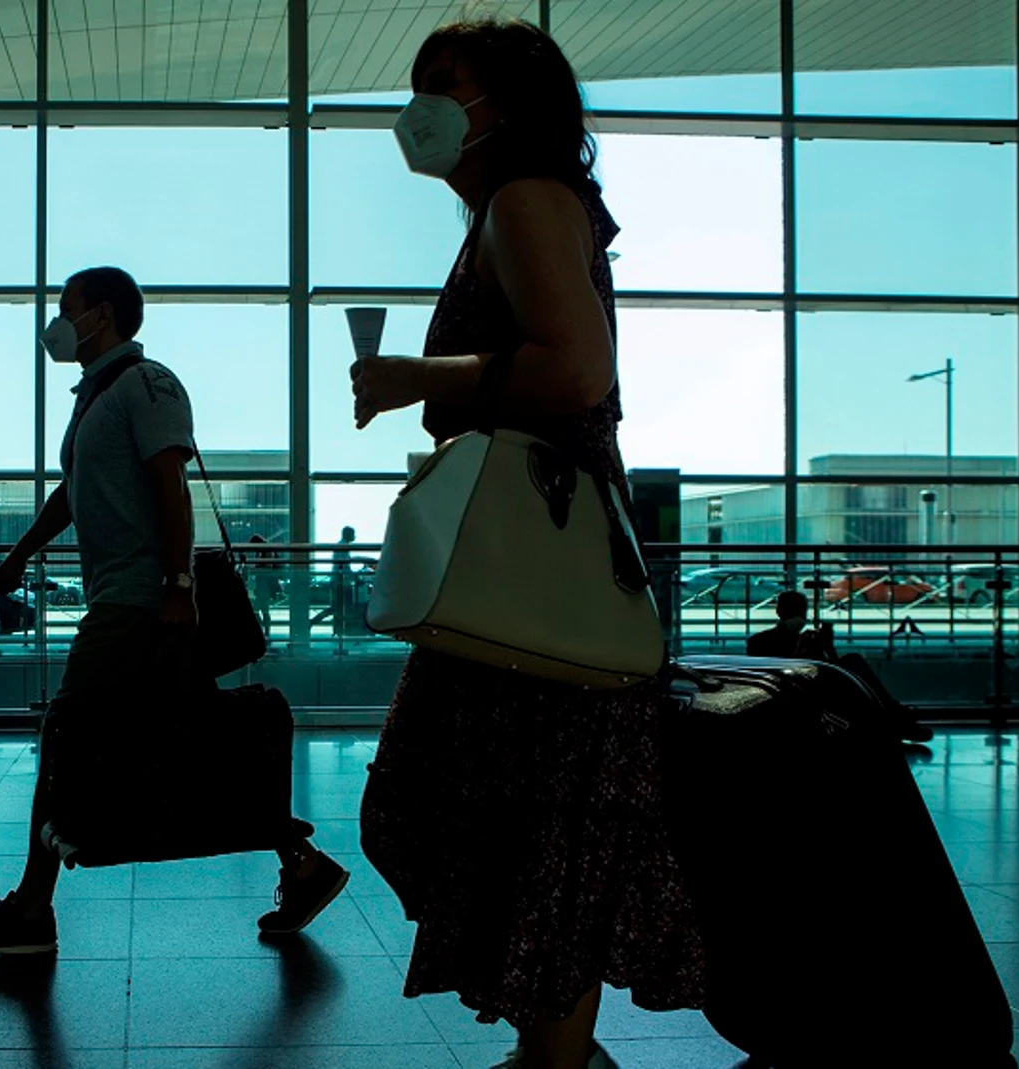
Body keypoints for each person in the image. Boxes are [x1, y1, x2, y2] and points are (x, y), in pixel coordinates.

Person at [346, 19, 705, 1069]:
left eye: (444, 84)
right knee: (530, 820)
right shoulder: (513, 210)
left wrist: (420, 379)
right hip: (539, 558)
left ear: (510, 101)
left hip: (537, 558)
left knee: (524, 818)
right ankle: (556, 1053)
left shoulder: (526, 200)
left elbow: (577, 372)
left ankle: (556, 1058)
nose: (422, 106)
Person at [0, 266, 348, 956]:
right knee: (196, 737)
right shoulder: (94, 398)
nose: (58, 322)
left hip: (140, 600)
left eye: (67, 308)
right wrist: (21, 553)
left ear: (100, 316)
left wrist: (178, 586)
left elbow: (170, 483)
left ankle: (32, 909)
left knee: (67, 727)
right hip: (131, 598)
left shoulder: (146, 384)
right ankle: (303, 865)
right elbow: (71, 494)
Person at [749, 590, 934, 742]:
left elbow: (832, 667)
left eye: (801, 612)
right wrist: (802, 650)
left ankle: (896, 717)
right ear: (781, 612)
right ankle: (898, 716)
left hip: (819, 684)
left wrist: (826, 647)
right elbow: (774, 675)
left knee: (852, 663)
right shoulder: (761, 641)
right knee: (852, 666)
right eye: (795, 611)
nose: (799, 617)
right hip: (799, 689)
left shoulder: (799, 639)